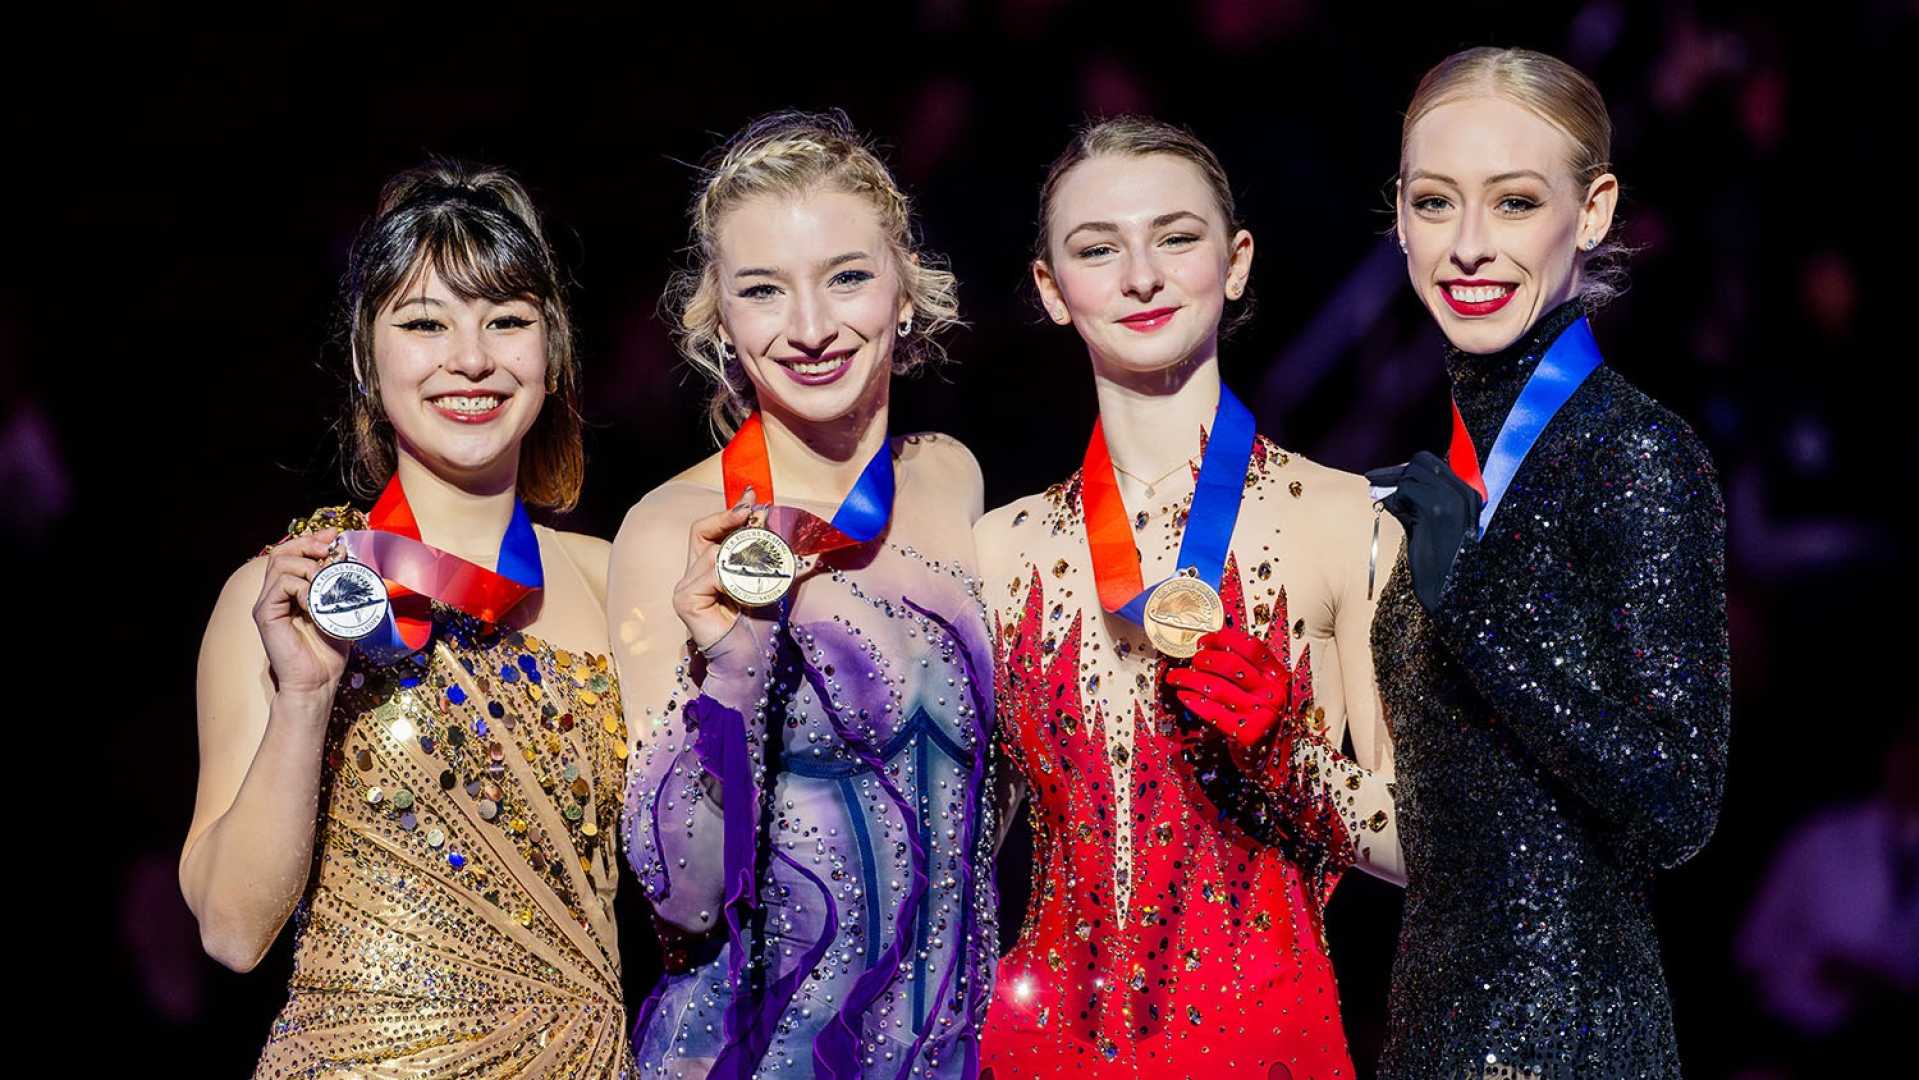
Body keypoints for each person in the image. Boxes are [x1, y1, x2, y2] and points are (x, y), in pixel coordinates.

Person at [974, 116, 1404, 1079]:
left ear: (1236, 260)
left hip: (1266, 1043)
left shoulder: (1347, 519)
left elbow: (1428, 845)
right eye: (1096, 248)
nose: (1140, 276)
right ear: (1050, 288)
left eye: (1175, 237)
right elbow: (956, 865)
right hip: (1043, 1048)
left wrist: (1290, 762)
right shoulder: (996, 551)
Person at [182, 163, 632, 1075]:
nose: (471, 359)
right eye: (425, 323)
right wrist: (307, 696)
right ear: (365, 354)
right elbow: (232, 932)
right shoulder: (291, 591)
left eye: (506, 320)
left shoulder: (622, 581)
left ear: (553, 352)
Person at [1369, 47, 1732, 1077]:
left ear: (1593, 210)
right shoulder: (1452, 462)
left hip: (1570, 1037)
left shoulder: (1632, 451)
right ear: (1397, 217)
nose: (1468, 247)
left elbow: (1677, 800)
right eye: (1435, 203)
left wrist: (1470, 606)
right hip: (1431, 1032)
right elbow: (1446, 815)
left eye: (1514, 202)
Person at [613, 111, 998, 1077]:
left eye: (847, 277)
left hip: (950, 1049)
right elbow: (683, 895)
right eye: (763, 291)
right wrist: (731, 678)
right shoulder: (673, 530)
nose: (814, 328)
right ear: (718, 318)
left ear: (906, 290)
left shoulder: (951, 478)